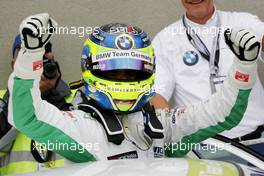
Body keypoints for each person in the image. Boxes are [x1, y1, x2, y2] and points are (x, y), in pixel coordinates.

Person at [7, 13, 260, 162]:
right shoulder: (81, 128)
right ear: (89, 67)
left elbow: (223, 113)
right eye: (115, 70)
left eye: (134, 71)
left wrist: (244, 65)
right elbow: (26, 115)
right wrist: (31, 53)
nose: (125, 78)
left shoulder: (163, 125)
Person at [150, 0, 264, 154]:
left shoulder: (243, 21)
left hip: (257, 142)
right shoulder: (165, 39)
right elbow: (156, 95)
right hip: (203, 150)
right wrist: (167, 138)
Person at [0, 33, 74, 175]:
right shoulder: (2, 102)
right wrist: (23, 97)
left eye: (43, 53)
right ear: (13, 65)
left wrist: (54, 95)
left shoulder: (75, 99)